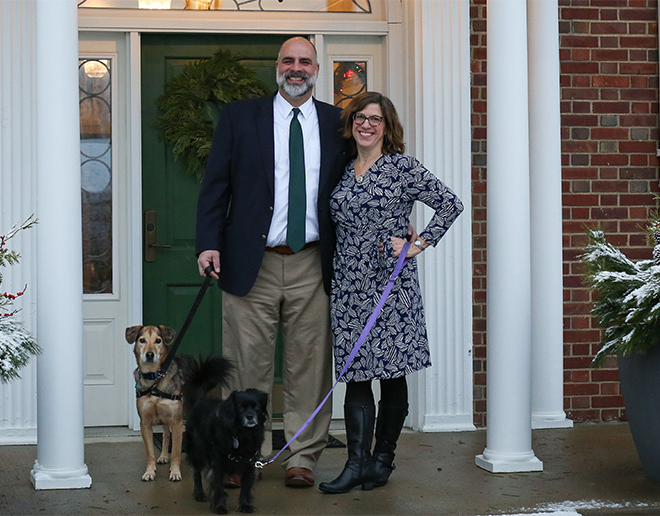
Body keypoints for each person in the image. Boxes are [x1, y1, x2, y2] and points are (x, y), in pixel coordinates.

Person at [195, 36, 348, 488]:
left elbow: (358, 182)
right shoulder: (241, 117)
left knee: (310, 365)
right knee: (246, 366)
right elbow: (214, 186)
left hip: (313, 262)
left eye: (305, 61)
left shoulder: (337, 122)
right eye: (288, 60)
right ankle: (246, 457)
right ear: (276, 67)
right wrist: (208, 242)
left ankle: (301, 455)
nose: (296, 68)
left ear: (317, 69)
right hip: (251, 262)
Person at [318, 92, 464, 494]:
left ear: (387, 127)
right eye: (361, 118)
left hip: (389, 281)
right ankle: (355, 465)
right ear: (351, 124)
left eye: (375, 119)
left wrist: (418, 244)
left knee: (392, 373)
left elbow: (451, 204)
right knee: (356, 376)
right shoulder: (342, 169)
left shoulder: (402, 168)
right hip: (348, 282)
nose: (367, 125)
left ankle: (382, 460)